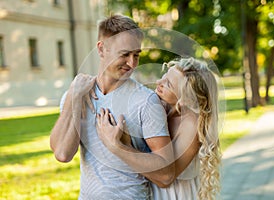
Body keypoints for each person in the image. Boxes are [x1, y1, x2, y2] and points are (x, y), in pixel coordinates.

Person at [50, 15, 175, 199]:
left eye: (136, 55)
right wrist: (74, 98)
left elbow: (166, 175)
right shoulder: (77, 94)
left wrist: (117, 146)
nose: (132, 63)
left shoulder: (146, 101)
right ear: (102, 49)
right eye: (125, 54)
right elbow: (62, 154)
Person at [97, 57, 221, 200]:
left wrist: (119, 145)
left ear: (186, 99)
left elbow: (164, 178)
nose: (158, 83)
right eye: (164, 77)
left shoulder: (191, 125)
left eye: (168, 84)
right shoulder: (161, 109)